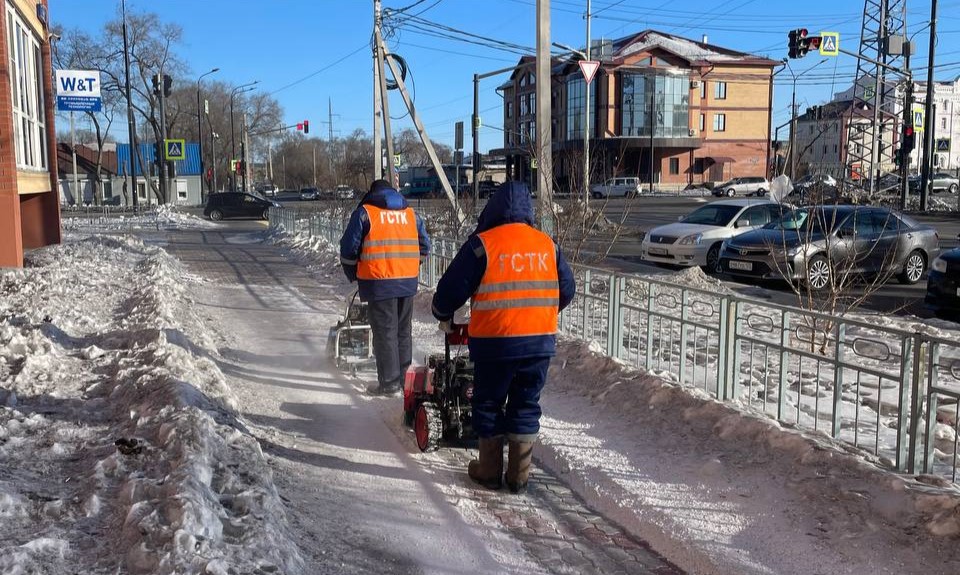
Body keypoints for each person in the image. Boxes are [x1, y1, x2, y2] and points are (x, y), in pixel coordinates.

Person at [431, 181, 575, 493]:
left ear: (492, 210)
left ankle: (488, 470)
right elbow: (568, 289)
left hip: (495, 343)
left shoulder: (482, 245)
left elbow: (450, 290)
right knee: (526, 404)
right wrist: (540, 312)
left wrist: (441, 312)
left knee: (488, 402)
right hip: (539, 343)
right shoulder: (547, 246)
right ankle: (519, 476)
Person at [340, 179, 431, 395]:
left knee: (385, 333)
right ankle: (404, 383)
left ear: (372, 193)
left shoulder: (366, 213)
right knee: (402, 331)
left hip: (378, 281)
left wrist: (353, 274)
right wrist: (408, 265)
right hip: (407, 281)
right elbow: (425, 246)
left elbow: (348, 249)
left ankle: (389, 384)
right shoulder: (410, 213)